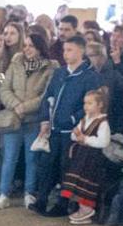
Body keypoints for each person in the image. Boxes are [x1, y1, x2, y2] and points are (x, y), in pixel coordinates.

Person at [35, 35, 101, 213]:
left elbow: (90, 105)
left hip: (72, 131)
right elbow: (48, 96)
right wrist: (45, 120)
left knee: (66, 167)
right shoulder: (60, 73)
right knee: (47, 165)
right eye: (64, 50)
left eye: (70, 50)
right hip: (54, 129)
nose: (65, 54)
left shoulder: (90, 76)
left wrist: (73, 120)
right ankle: (41, 199)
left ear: (81, 51)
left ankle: (63, 204)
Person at [0, 31, 55, 210]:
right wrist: (15, 105)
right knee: (9, 157)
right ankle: (3, 194)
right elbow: (5, 88)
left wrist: (25, 107)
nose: (27, 49)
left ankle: (29, 193)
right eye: (25, 45)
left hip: (34, 119)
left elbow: (45, 95)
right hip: (14, 119)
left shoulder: (50, 68)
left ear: (40, 47)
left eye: (31, 46)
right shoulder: (16, 63)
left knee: (31, 158)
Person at [60, 88, 113, 225]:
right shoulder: (84, 120)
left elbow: (104, 142)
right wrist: (76, 135)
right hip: (80, 155)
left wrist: (86, 139)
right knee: (76, 180)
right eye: (85, 103)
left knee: (86, 182)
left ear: (100, 105)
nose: (86, 106)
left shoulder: (103, 123)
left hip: (92, 158)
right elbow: (74, 135)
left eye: (90, 103)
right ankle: (81, 207)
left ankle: (87, 208)